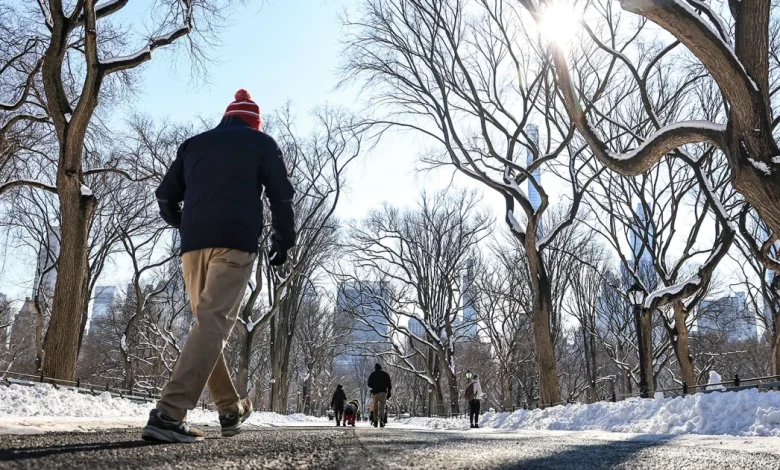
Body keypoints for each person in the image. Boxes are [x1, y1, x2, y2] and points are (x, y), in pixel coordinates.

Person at [142, 89, 296, 443]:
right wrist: (284, 239)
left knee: (206, 327)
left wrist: (182, 221)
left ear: (227, 118)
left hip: (192, 248)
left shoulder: (194, 145)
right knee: (211, 327)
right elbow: (281, 195)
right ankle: (168, 413)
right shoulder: (261, 143)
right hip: (235, 245)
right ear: (253, 123)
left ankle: (230, 408)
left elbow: (166, 195)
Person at [367, 363, 392, 428]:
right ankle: (381, 419)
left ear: (375, 368)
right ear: (381, 368)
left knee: (375, 407)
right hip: (383, 392)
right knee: (382, 407)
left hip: (375, 392)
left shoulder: (372, 374)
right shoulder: (385, 374)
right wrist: (389, 393)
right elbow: (389, 385)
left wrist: (374, 386)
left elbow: (369, 384)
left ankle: (375, 421)